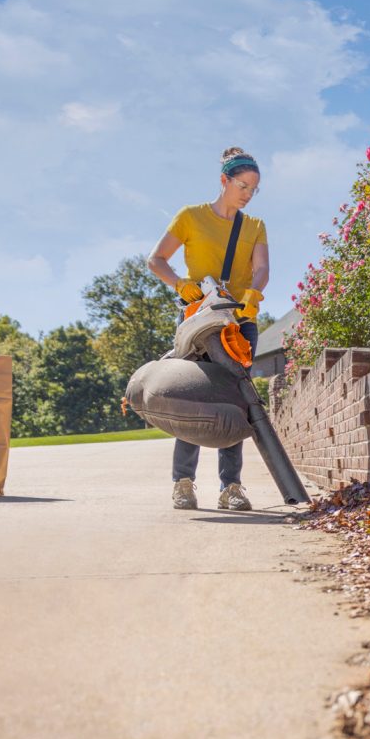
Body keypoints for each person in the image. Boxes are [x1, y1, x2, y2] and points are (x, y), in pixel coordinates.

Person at [147, 146, 270, 511]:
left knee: (233, 403)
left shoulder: (254, 226)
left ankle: (231, 488)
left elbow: (262, 268)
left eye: (254, 189)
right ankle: (183, 483)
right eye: (243, 186)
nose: (247, 195)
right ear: (224, 181)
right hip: (198, 321)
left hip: (239, 323)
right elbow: (156, 260)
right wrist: (179, 284)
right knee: (192, 398)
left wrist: (254, 292)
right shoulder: (190, 217)